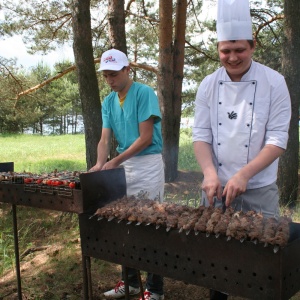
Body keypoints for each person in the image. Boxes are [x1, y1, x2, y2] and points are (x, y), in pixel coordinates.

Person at [192, 0, 291, 299]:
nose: (232, 57)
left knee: (264, 259)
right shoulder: (208, 85)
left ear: (253, 45)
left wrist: (244, 175)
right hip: (216, 188)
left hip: (259, 187)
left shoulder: (274, 82)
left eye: (239, 50)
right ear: (218, 48)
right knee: (215, 256)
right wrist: (210, 173)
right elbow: (200, 134)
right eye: (226, 50)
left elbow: (277, 139)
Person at [90, 48, 165, 300]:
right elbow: (104, 138)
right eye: (106, 76)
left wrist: (116, 161)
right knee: (124, 223)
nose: (110, 80)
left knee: (151, 224)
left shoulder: (144, 93)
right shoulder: (108, 101)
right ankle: (131, 282)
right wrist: (100, 164)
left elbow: (145, 138)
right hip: (123, 166)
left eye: (114, 74)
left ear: (127, 69)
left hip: (147, 164)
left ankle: (155, 290)